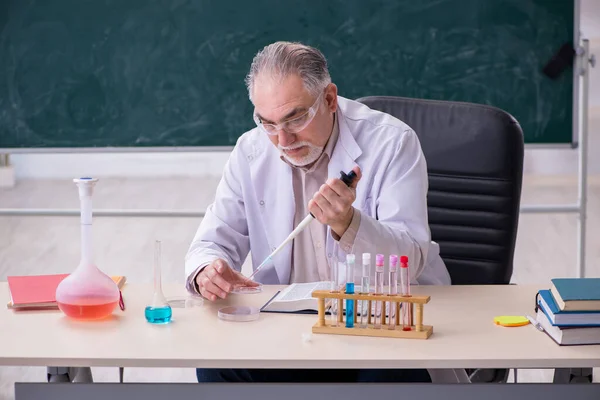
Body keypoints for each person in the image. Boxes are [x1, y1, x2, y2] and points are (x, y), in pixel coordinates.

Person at [185, 41, 451, 383]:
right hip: (290, 330)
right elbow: (212, 241)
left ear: (329, 99)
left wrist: (349, 223)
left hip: (381, 324)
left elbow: (410, 259)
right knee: (216, 363)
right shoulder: (250, 151)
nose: (282, 139)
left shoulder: (392, 143)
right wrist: (208, 270)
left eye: (295, 118)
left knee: (386, 376)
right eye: (267, 123)